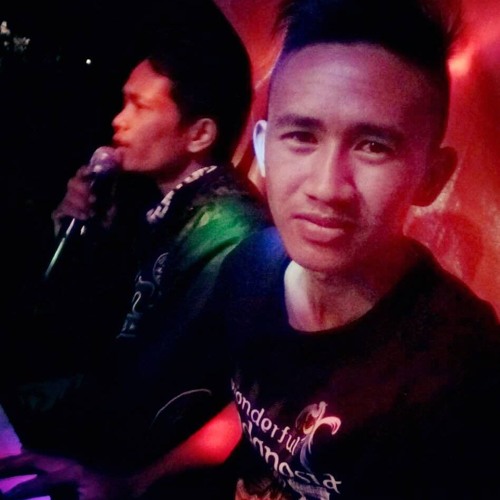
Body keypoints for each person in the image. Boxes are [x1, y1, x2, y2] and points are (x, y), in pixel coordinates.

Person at [174, 0, 500, 498]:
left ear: (431, 177)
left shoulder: (462, 366)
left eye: (374, 146)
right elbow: (250, 415)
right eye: (301, 136)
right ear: (263, 148)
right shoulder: (249, 267)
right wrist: (129, 481)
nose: (327, 188)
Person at [0, 1, 269, 498]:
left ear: (200, 134)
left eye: (139, 106)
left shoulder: (229, 230)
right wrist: (76, 231)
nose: (118, 121)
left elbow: (160, 374)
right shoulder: (160, 204)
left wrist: (121, 477)